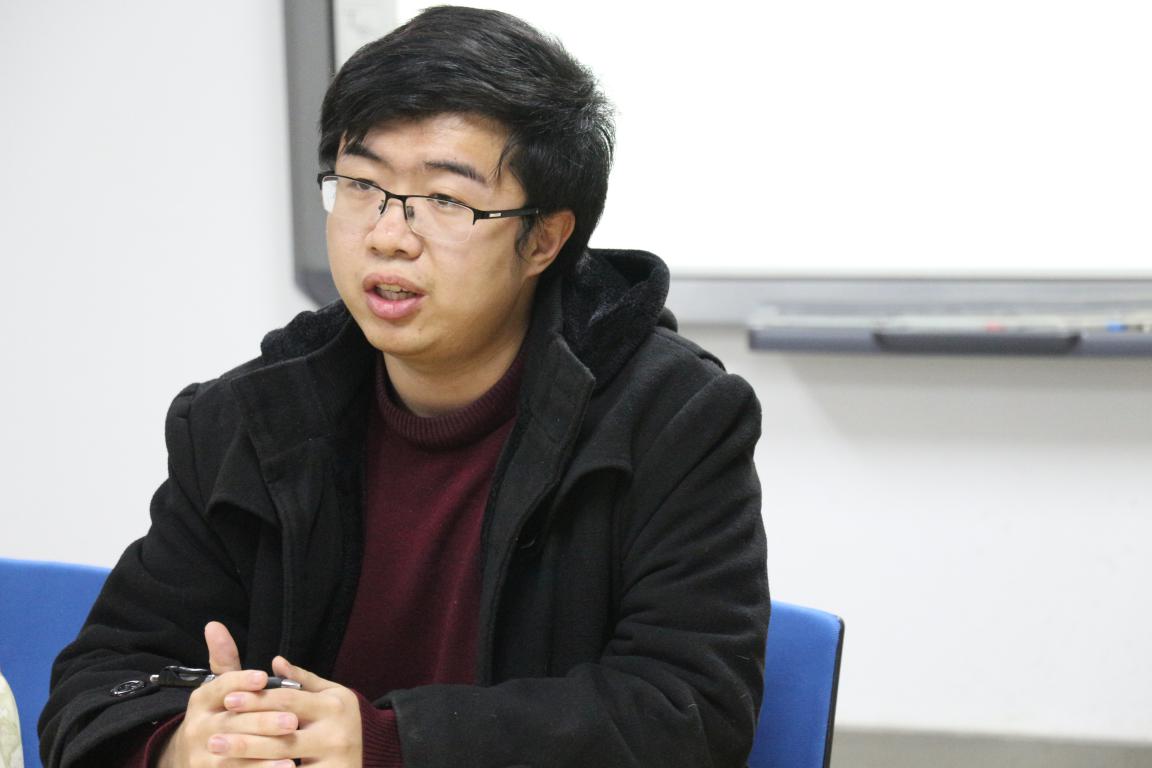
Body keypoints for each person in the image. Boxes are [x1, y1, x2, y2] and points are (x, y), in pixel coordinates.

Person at [40, 6, 769, 767]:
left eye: (446, 200)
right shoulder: (247, 421)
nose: (388, 235)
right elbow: (101, 681)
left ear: (545, 240)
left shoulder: (673, 419)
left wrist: (393, 745)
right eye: (361, 184)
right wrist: (183, 746)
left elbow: (689, 711)